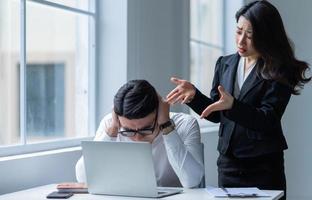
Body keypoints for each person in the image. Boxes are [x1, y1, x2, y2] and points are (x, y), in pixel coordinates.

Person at [166, 1, 311, 199]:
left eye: (250, 35)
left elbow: (268, 119)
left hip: (264, 166)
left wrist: (233, 105)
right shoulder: (224, 63)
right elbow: (218, 115)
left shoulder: (279, 70)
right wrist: (194, 96)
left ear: (266, 36)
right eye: (238, 31)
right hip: (228, 164)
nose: (241, 41)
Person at [75, 80, 204, 188]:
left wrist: (166, 126)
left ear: (159, 112)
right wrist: (112, 131)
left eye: (145, 129)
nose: (137, 137)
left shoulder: (185, 124)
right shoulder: (112, 124)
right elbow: (83, 177)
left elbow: (192, 181)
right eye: (129, 130)